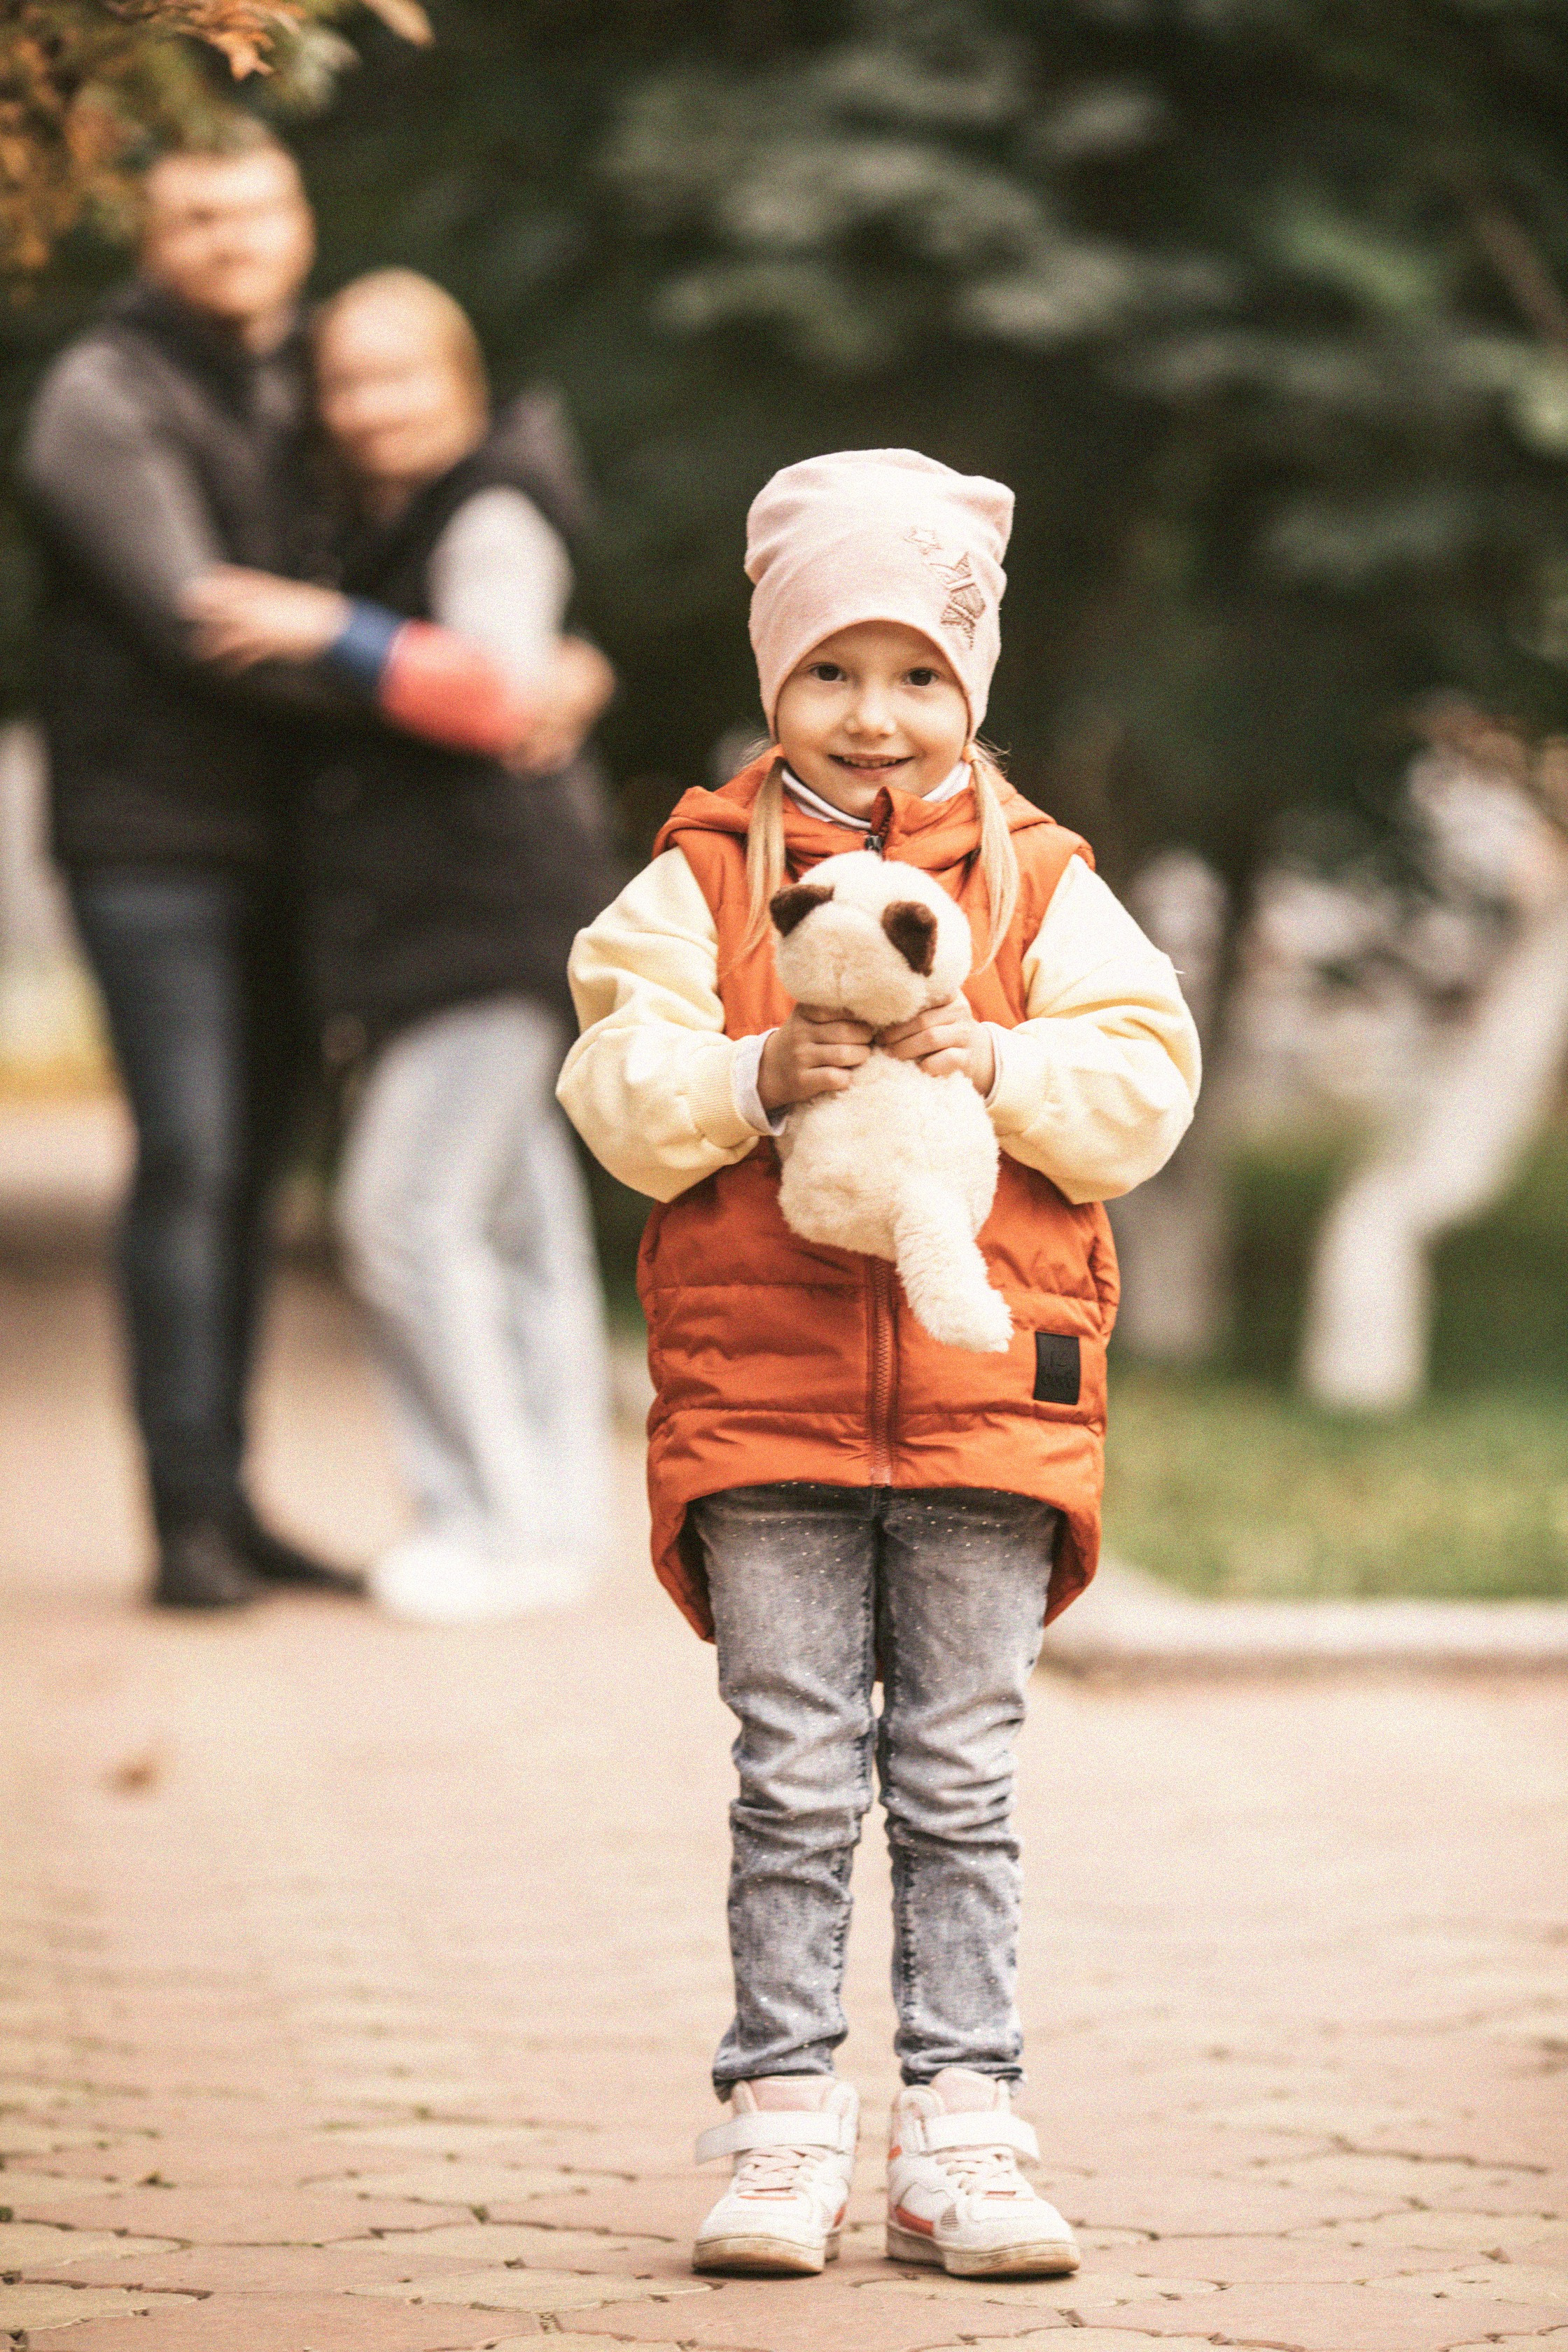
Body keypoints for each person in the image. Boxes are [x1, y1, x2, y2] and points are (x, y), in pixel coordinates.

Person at [557, 449, 1201, 2280]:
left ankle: (965, 2128)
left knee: (962, 1778)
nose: (877, 717)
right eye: (831, 671)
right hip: (760, 1400)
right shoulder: (696, 877)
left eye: (920, 674)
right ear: (772, 680)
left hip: (995, 1398)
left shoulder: (1043, 884)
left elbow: (1145, 1083)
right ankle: (778, 2121)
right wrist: (749, 1077)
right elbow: (614, 1078)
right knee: (789, 1770)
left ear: (970, 693)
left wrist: (991, 1060)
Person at [181, 271, 620, 1623]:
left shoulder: (485, 508)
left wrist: (332, 629)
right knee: (514, 1228)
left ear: (463, 383)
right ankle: (553, 1521)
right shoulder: (385, 516)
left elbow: (498, 692)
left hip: (482, 926)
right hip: (466, 923)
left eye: (402, 376)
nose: (373, 407)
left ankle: (483, 1525)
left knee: (405, 1218)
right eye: (349, 381)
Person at [19, 122, 363, 1609]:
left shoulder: (307, 376)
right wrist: (431, 678)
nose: (235, 238)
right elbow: (195, 619)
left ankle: (232, 1492)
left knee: (258, 1174)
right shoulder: (98, 396)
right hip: (147, 839)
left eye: (258, 208)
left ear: (297, 220)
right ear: (151, 238)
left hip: (290, 838)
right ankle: (183, 1524)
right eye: (201, 215)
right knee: (193, 1157)